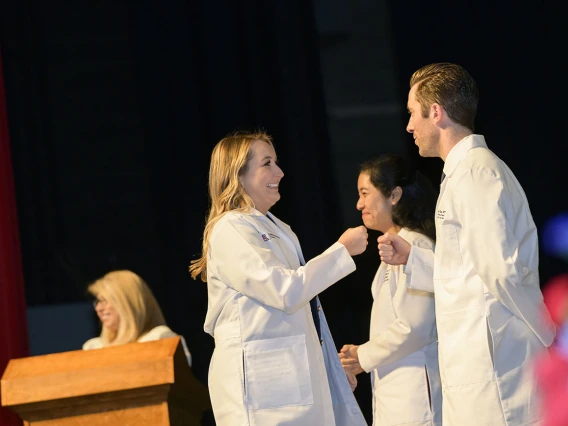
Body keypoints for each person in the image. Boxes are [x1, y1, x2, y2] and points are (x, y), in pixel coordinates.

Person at [378, 62, 556, 425]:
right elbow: (466, 269)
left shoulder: (477, 173)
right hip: (477, 362)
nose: (409, 126)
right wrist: (414, 258)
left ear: (436, 113)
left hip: (496, 364)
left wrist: (548, 334)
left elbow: (500, 270)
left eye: (413, 114)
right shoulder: (462, 173)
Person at [189, 130, 368, 426]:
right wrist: (341, 252)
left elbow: (306, 316)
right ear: (238, 175)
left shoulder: (279, 228)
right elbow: (284, 291)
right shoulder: (230, 228)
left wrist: (329, 372)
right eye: (267, 163)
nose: (280, 172)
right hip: (262, 390)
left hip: (293, 383)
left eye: (277, 162)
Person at [338, 154, 441, 426]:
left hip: (416, 396)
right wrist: (360, 353)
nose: (359, 204)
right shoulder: (394, 248)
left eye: (365, 193)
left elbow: (416, 327)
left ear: (394, 195)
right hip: (396, 394)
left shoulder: (415, 246)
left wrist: (363, 356)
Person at [83, 269, 192, 367]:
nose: (99, 308)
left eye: (104, 300)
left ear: (129, 302)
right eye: (97, 302)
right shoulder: (93, 347)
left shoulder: (160, 338)